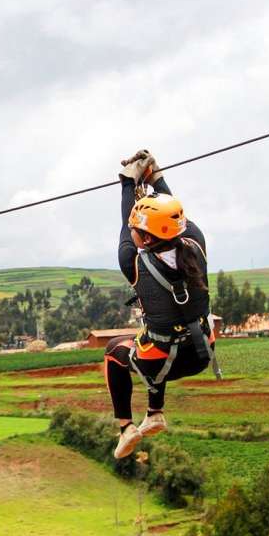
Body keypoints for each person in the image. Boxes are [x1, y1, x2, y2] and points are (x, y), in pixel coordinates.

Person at [107, 149, 220, 459]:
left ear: (145, 238)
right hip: (201, 353)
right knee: (159, 337)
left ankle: (126, 428)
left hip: (160, 362)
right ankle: (153, 412)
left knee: (116, 351)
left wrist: (128, 184)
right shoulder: (196, 244)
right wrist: (155, 176)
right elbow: (176, 218)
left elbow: (126, 225)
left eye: (138, 229)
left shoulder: (133, 263)